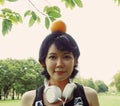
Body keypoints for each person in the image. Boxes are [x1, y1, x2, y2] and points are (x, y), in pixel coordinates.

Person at [21, 20, 100, 106]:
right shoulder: (29, 99)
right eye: (53, 57)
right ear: (43, 61)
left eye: (66, 57)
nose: (59, 64)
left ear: (75, 61)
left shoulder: (90, 96)